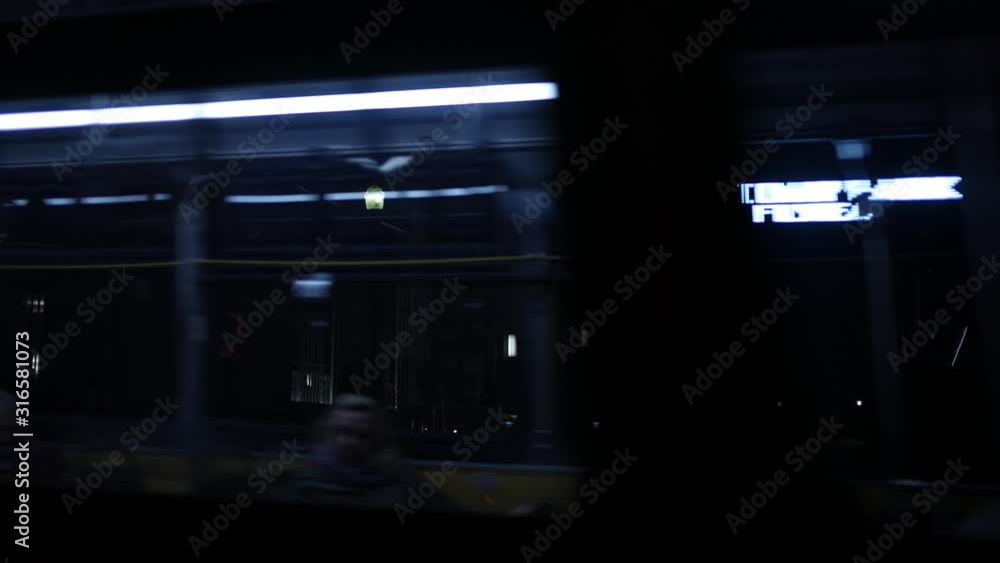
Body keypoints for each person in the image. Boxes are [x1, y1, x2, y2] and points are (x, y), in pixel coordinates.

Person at [290, 394, 408, 508]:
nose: (350, 441)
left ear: (378, 439)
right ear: (326, 432)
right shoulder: (304, 483)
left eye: (362, 435)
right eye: (342, 431)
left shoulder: (395, 488)